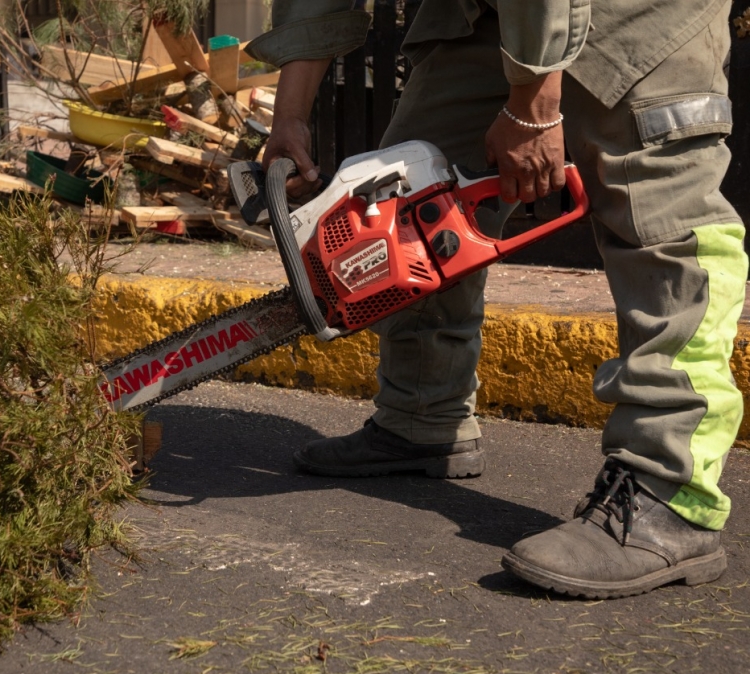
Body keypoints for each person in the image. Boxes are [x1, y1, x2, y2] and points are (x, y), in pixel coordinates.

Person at [245, 0, 747, 598]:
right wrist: (291, 115)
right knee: (413, 185)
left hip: (636, 12)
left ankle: (669, 493)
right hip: (485, 12)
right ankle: (422, 414)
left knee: (658, 208)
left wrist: (534, 108)